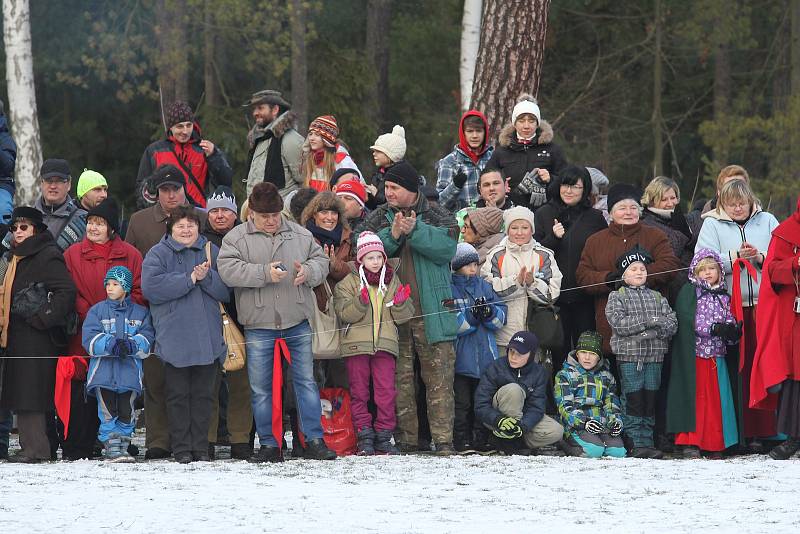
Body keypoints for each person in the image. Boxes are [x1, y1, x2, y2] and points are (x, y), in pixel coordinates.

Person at [217, 182, 336, 463]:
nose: (271, 221)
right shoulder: (235, 238)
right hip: (258, 323)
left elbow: (322, 263)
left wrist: (308, 272)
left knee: (306, 383)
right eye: (265, 216)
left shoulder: (300, 234)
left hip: (297, 319)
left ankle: (314, 441)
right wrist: (262, 274)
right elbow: (227, 270)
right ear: (252, 213)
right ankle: (270, 444)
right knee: (260, 388)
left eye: (275, 215)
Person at [363, 161, 460, 453]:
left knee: (440, 381)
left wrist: (415, 232)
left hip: (434, 310)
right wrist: (392, 236)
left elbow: (447, 249)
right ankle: (406, 440)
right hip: (392, 314)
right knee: (399, 382)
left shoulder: (439, 214)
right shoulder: (378, 216)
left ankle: (444, 441)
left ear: (410, 190)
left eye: (394, 188)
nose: (387, 192)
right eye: (387, 187)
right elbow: (362, 246)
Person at [126, 164, 206, 460]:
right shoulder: (139, 221)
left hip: (193, 307)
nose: (171, 194)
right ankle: (159, 440)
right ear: (155, 193)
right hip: (152, 308)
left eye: (176, 188)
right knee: (157, 379)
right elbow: (131, 264)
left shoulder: (199, 216)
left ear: (184, 189)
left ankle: (197, 441)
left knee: (195, 382)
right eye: (164, 190)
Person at [695, 178, 779, 451]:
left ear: (750, 200)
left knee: (767, 365)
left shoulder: (766, 220)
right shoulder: (711, 224)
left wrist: (760, 256)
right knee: (741, 369)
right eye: (731, 205)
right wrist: (734, 256)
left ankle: (773, 431)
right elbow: (702, 260)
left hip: (766, 303)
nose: (737, 209)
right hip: (733, 306)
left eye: (741, 203)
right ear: (723, 204)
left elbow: (780, 253)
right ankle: (745, 432)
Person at [142, 206, 230, 463]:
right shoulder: (157, 254)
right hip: (173, 337)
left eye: (190, 225)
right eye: (180, 225)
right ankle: (181, 448)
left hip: (207, 336)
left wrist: (206, 278)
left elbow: (226, 291)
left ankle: (201, 447)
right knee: (177, 395)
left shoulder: (211, 251)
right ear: (170, 228)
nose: (186, 230)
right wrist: (190, 278)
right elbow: (152, 288)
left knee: (204, 396)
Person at [59, 198, 144, 460]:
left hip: (123, 334)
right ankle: (81, 443)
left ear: (112, 227)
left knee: (119, 388)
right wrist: (92, 313)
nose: (94, 228)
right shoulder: (72, 254)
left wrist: (121, 312)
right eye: (91, 222)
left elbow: (139, 291)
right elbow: (67, 288)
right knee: (85, 385)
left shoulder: (130, 254)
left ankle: (118, 440)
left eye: (100, 223)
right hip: (85, 330)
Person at [0, 207, 77, 462]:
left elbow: (66, 292)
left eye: (24, 227)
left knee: (30, 394)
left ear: (37, 229)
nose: (18, 232)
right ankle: (31, 447)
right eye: (14, 228)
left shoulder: (47, 254)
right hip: (17, 336)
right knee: (21, 393)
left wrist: (42, 318)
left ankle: (36, 449)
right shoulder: (16, 256)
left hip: (37, 338)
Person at [333, 231, 414, 455]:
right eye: (370, 257)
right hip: (356, 346)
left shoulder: (392, 280)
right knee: (360, 392)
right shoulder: (348, 283)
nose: (376, 262)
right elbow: (344, 313)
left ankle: (384, 437)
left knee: (385, 392)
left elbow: (405, 315)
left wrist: (399, 304)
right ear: (361, 259)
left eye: (379, 257)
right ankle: (364, 436)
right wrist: (360, 302)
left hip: (385, 344)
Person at [576, 183, 679, 356]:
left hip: (650, 330)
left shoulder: (655, 236)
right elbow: (583, 276)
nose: (629, 212)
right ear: (610, 212)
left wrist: (641, 275)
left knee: (651, 379)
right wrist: (609, 279)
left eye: (633, 207)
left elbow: (670, 265)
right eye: (622, 208)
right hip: (610, 327)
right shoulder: (595, 241)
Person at [605, 245, 678, 459]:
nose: (639, 272)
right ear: (624, 274)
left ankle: (647, 440)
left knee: (650, 398)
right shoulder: (616, 296)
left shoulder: (657, 297)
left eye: (642, 269)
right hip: (630, 357)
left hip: (655, 356)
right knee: (634, 397)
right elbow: (619, 324)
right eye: (633, 269)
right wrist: (649, 322)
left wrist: (657, 327)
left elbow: (671, 323)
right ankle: (634, 441)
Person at [667, 249, 740, 459]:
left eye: (712, 268)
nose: (707, 273)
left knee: (717, 401)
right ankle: (691, 440)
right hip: (695, 355)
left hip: (717, 355)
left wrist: (732, 331)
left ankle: (715, 441)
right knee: (696, 399)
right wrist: (713, 328)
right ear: (695, 272)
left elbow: (730, 319)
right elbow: (689, 319)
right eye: (702, 269)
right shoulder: (691, 292)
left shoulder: (724, 297)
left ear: (719, 271)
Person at [533, 165, 607, 370]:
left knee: (588, 350)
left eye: (575, 186)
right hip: (554, 299)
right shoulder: (544, 214)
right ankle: (558, 398)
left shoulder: (595, 217)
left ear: (585, 190)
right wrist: (554, 238)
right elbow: (535, 253)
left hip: (585, 297)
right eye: (565, 184)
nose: (569, 190)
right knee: (558, 352)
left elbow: (603, 252)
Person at [201, 186, 253, 461]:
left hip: (242, 315)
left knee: (240, 382)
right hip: (209, 318)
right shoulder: (197, 240)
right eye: (215, 211)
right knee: (208, 383)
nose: (220, 216)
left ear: (235, 213)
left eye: (226, 211)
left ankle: (240, 438)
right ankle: (207, 438)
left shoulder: (247, 237)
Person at [82, 266, 154, 462]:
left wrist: (133, 344)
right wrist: (109, 343)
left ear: (126, 287)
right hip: (103, 374)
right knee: (107, 411)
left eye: (115, 284)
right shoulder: (97, 311)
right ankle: (111, 444)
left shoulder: (140, 313)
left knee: (126, 409)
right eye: (108, 284)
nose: (110, 288)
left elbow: (147, 339)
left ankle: (123, 442)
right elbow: (89, 339)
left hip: (129, 373)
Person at [750, 195, 800, 460]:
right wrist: (795, 264)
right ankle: (794, 438)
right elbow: (772, 272)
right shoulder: (785, 233)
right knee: (796, 377)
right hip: (794, 317)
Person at [450, 242, 507, 452]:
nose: (473, 269)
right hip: (462, 359)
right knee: (462, 403)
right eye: (468, 265)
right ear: (457, 267)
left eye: (475, 264)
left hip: (486, 357)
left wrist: (489, 314)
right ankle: (461, 438)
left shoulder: (485, 286)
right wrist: (471, 318)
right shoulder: (450, 288)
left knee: (482, 402)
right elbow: (451, 323)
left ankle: (481, 438)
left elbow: (501, 315)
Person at [481, 206, 563, 348]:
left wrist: (533, 283)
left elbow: (552, 295)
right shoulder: (496, 255)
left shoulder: (544, 255)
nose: (519, 233)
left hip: (537, 334)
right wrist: (516, 282)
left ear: (532, 230)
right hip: (503, 335)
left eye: (525, 227)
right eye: (514, 228)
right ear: (507, 230)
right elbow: (487, 290)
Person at [474, 331, 564, 454]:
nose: (513, 357)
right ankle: (507, 442)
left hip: (522, 420)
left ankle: (514, 440)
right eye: (511, 351)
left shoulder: (539, 373)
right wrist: (499, 420)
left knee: (556, 431)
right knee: (514, 389)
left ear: (531, 355)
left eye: (520, 353)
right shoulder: (496, 367)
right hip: (496, 418)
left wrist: (522, 426)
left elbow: (536, 408)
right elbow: (481, 404)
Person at [137, 101, 233, 208]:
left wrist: (214, 156)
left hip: (198, 214)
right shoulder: (154, 150)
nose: (185, 131)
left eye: (189, 125)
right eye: (180, 126)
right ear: (170, 128)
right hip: (166, 215)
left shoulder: (204, 149)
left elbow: (226, 183)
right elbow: (142, 190)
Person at [485, 94, 567, 210]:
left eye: (531, 121)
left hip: (545, 212)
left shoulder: (553, 149)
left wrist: (550, 179)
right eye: (521, 121)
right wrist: (502, 187)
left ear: (537, 123)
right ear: (514, 123)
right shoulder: (501, 152)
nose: (526, 126)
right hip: (509, 211)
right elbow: (485, 181)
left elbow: (567, 181)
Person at [555, 331, 626, 458]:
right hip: (577, 425)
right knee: (594, 451)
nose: (587, 357)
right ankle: (565, 444)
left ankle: (599, 442)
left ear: (599, 357)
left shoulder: (607, 377)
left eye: (592, 354)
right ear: (577, 354)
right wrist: (584, 422)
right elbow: (564, 407)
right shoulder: (565, 375)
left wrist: (615, 421)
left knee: (618, 453)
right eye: (583, 352)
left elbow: (611, 404)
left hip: (601, 425)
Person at [640, 176, 695, 300]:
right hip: (667, 291)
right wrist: (683, 233)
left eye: (673, 198)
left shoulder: (682, 218)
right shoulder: (646, 224)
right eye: (664, 199)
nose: (670, 203)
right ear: (652, 200)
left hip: (691, 286)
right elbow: (669, 253)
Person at [244, 90, 305, 199]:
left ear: (275, 110)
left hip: (281, 213)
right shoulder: (260, 138)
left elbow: (304, 179)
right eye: (254, 109)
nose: (255, 113)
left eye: (260, 108)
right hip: (258, 212)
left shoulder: (290, 139)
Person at [436, 110, 493, 211]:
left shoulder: (492, 157)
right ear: (463, 133)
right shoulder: (449, 162)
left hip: (490, 217)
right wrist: (455, 186)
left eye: (479, 131)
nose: (475, 136)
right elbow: (440, 204)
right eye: (470, 131)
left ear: (485, 132)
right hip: (461, 222)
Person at [33, 158, 87, 252]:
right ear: (41, 183)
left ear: (69, 184)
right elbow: (6, 254)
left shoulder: (84, 220)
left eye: (59, 181)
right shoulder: (27, 218)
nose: (53, 186)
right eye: (48, 180)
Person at [301, 115, 361, 192]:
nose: (312, 138)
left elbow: (356, 188)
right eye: (310, 134)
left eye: (317, 135)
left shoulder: (341, 160)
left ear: (327, 139)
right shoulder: (311, 158)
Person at [367, 125, 407, 209]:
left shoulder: (401, 176)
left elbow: (398, 205)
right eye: (374, 151)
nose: (374, 154)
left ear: (390, 154)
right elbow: (373, 207)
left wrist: (377, 194)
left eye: (378, 151)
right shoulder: (378, 174)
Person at [0, 99, 16, 223]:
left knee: (3, 211)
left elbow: (8, 166)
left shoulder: (5, 139)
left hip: (2, 185)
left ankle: (5, 241)